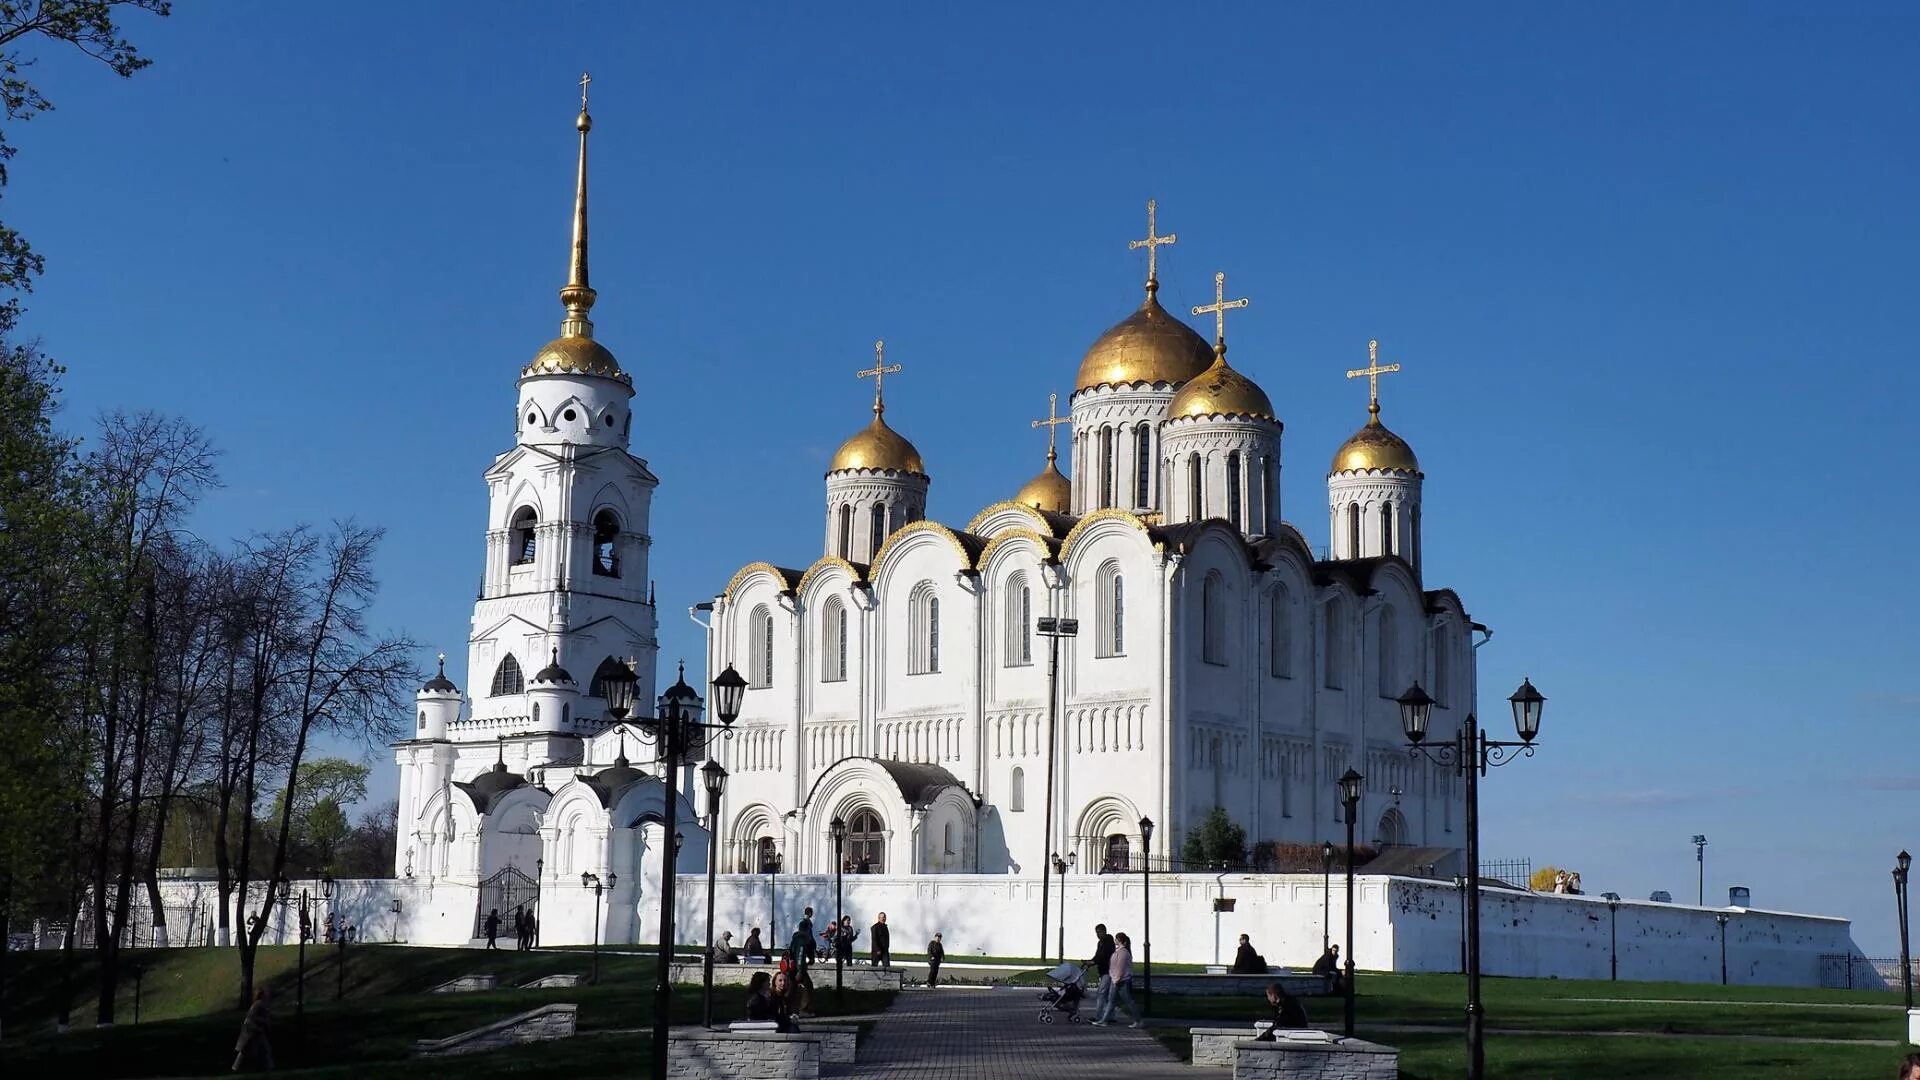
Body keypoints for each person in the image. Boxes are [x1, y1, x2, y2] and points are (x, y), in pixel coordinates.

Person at [1091, 931, 1141, 1028]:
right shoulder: (1118, 951)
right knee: (1111, 1001)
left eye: (1116, 939)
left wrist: (1116, 979)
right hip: (1116, 980)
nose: (1114, 940)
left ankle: (1138, 1020)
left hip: (1121, 981)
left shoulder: (1123, 953)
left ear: (1119, 940)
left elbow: (1120, 968)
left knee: (1128, 1001)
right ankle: (1104, 1020)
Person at [231, 986, 274, 1072]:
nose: (268, 994)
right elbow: (250, 1017)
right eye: (266, 993)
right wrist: (264, 1021)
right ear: (262, 995)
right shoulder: (257, 1005)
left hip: (257, 1031)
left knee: (265, 1049)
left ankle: (269, 1067)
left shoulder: (263, 1004)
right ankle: (235, 1067)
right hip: (252, 1031)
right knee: (245, 1050)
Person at [1088, 923, 1116, 1019]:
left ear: (1104, 931)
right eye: (1096, 933)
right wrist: (1091, 961)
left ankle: (1098, 1016)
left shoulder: (1108, 942)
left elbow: (1103, 956)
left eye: (1099, 932)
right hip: (1103, 971)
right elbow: (1097, 955)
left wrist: (1093, 962)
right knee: (1107, 994)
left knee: (1101, 993)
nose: (1098, 934)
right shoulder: (1100, 943)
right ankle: (1111, 1016)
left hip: (1108, 971)